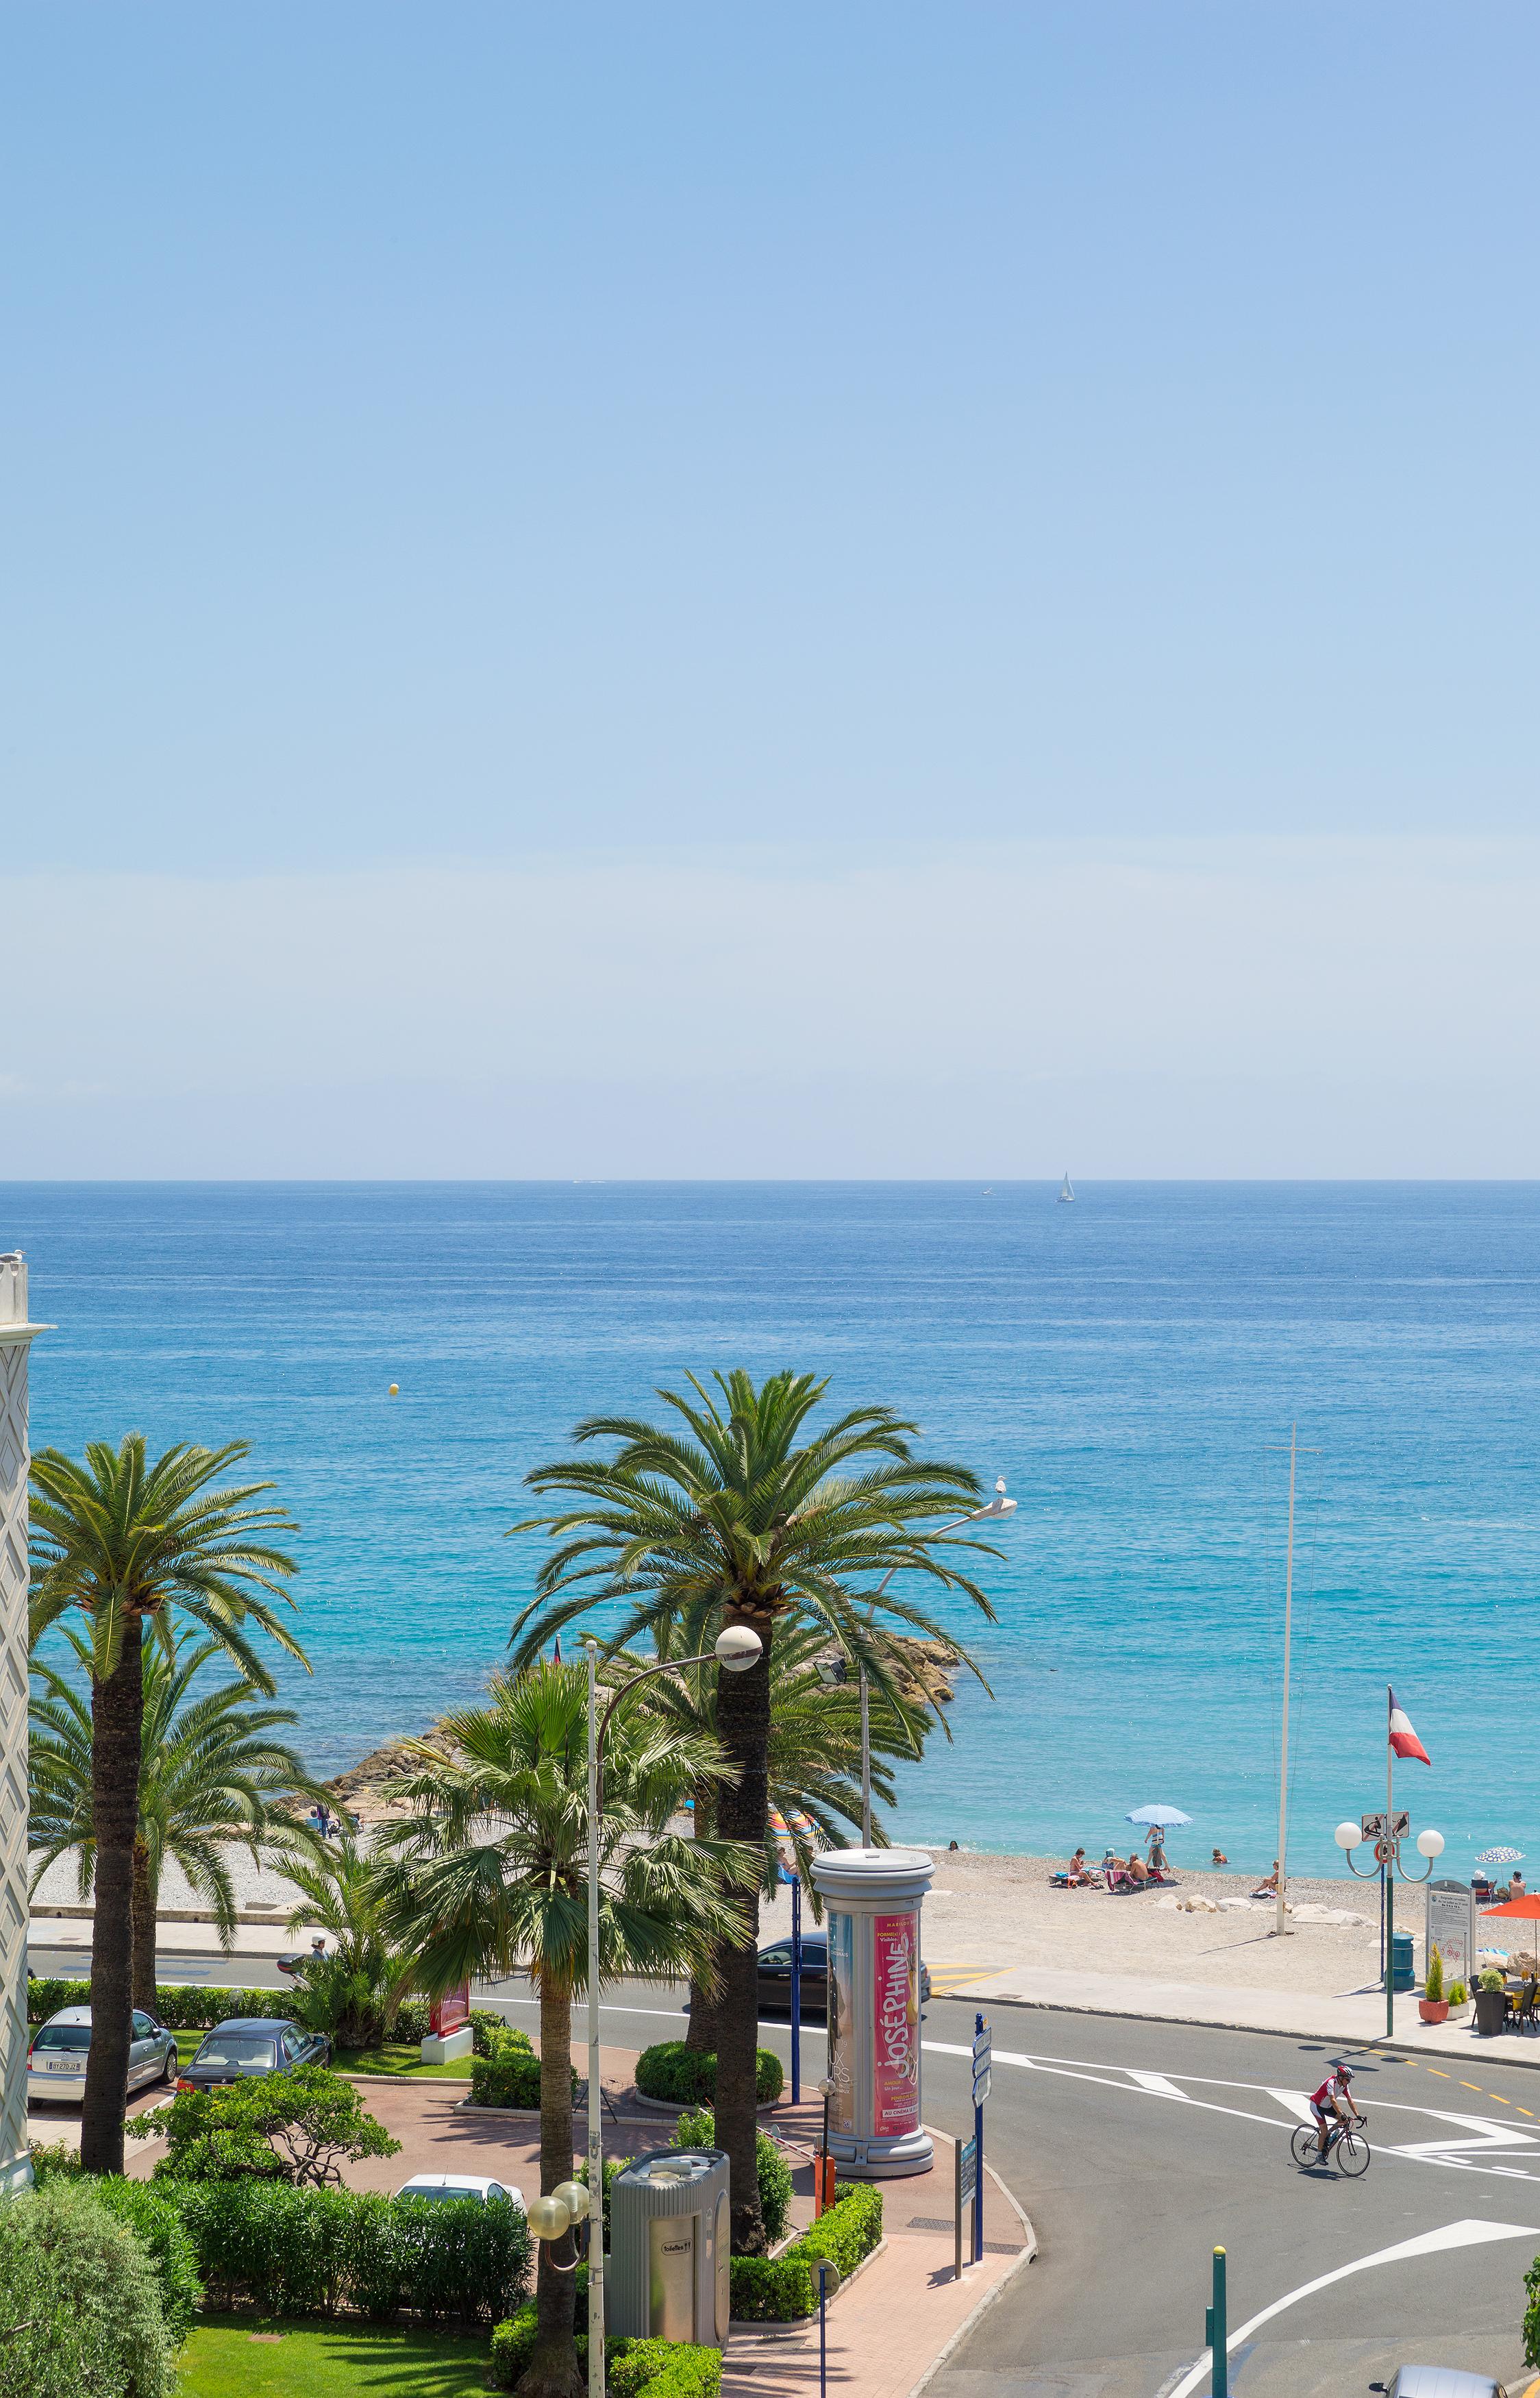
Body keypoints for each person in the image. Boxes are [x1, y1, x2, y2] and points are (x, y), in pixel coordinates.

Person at [1309, 2061, 1362, 2160]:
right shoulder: (1331, 2082)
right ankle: (1319, 2155)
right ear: (1341, 2077)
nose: (1349, 2082)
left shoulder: (1344, 2085)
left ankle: (1329, 2134)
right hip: (1317, 2106)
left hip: (1327, 2107)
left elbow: (1350, 2100)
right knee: (1323, 2130)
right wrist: (1340, 2113)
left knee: (1345, 2120)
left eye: (1350, 2080)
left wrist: (1358, 2115)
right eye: (1347, 2079)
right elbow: (1333, 2100)